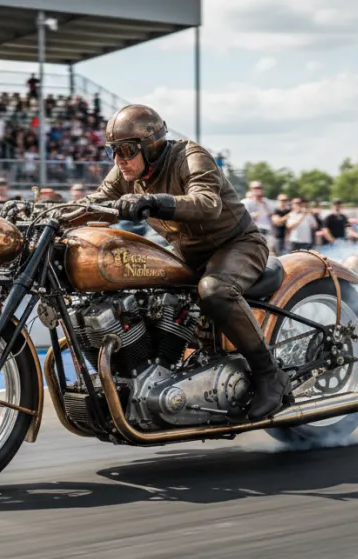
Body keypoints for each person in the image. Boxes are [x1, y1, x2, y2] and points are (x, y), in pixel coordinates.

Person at [83, 104, 291, 421]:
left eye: (125, 150)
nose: (118, 160)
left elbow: (207, 202)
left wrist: (152, 201)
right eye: (112, 151)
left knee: (214, 290)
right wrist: (49, 213)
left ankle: (270, 376)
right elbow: (96, 203)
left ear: (149, 145)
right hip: (186, 250)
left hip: (236, 243)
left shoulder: (189, 156)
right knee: (141, 289)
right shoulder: (128, 171)